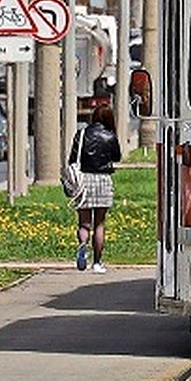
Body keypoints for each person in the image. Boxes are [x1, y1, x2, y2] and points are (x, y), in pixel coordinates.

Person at [71, 105, 121, 274]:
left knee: (84, 223)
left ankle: (83, 245)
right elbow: (117, 157)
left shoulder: (82, 134)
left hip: (83, 180)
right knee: (99, 223)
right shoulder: (110, 136)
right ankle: (97, 263)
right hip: (103, 180)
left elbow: (73, 158)